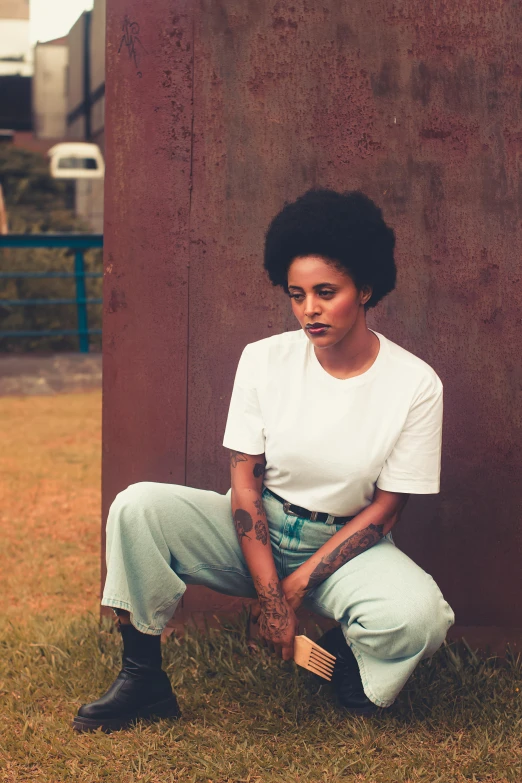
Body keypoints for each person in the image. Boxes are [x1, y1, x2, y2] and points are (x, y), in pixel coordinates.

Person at [73, 188, 454, 733]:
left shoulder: (415, 383)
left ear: (365, 289)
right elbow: (245, 488)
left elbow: (388, 511)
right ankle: (143, 680)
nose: (309, 310)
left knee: (420, 616)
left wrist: (292, 592)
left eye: (326, 292)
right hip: (256, 528)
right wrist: (270, 595)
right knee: (138, 507)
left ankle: (345, 660)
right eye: (296, 294)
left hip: (345, 544)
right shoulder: (263, 360)